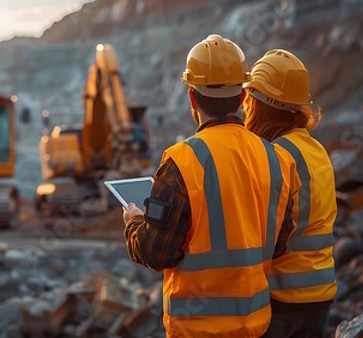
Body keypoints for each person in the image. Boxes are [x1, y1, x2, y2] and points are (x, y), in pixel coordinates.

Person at [122, 35, 298, 337]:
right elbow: (280, 244)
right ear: (243, 95)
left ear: (192, 97)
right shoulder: (278, 159)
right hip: (255, 326)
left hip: (195, 330)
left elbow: (157, 253)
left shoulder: (181, 161)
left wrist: (134, 223)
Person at [242, 49, 337, 338]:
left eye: (248, 99)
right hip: (319, 295)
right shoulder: (315, 149)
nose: (245, 107)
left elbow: (266, 236)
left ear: (258, 105)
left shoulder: (277, 156)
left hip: (284, 301)